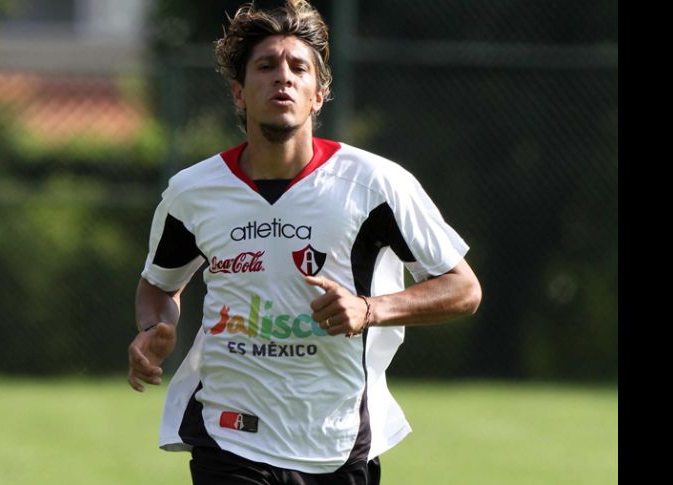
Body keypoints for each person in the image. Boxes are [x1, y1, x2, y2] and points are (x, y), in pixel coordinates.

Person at [127, 1, 482, 483]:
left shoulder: (375, 184)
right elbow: (158, 285)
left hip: (336, 444)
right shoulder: (193, 192)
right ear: (238, 92)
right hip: (229, 438)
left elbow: (462, 289)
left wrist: (369, 309)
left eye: (299, 68)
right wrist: (154, 328)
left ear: (318, 94)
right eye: (266, 66)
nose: (283, 78)